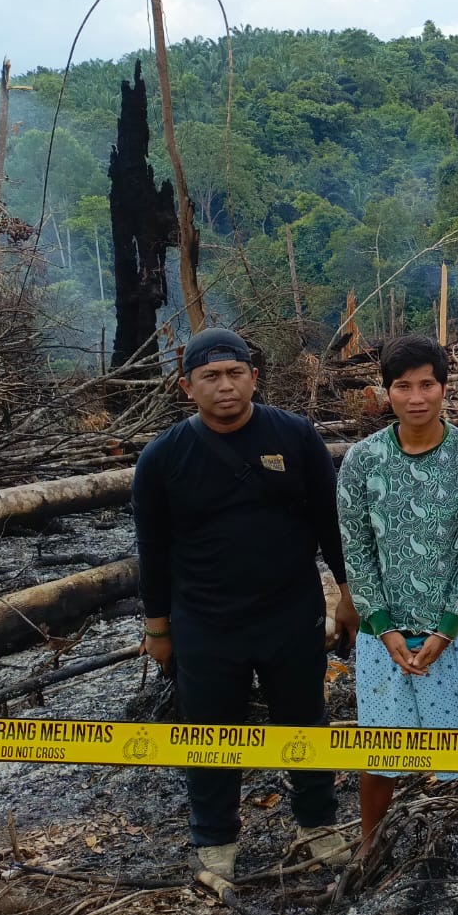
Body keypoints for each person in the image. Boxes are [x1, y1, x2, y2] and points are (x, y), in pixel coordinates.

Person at [134, 327, 358, 881]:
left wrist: (348, 595)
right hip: (205, 622)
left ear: (255, 378)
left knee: (303, 722)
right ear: (187, 387)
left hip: (291, 612)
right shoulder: (163, 459)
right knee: (210, 734)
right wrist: (158, 628)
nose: (225, 387)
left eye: (236, 374)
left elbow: (330, 523)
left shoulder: (295, 435)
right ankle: (214, 843)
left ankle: (317, 824)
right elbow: (152, 549)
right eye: (210, 377)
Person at [336, 334, 458, 866]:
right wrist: (380, 626)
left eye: (427, 383)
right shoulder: (362, 460)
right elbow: (356, 548)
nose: (416, 397)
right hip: (386, 632)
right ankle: (370, 839)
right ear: (386, 394)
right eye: (402, 386)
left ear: (444, 388)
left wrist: (448, 626)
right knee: (380, 744)